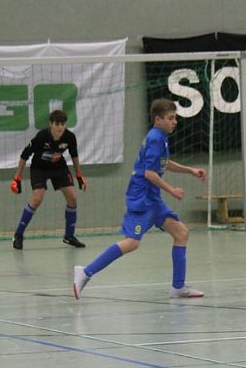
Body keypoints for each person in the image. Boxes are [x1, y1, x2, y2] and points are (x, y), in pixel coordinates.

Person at [73, 98, 206, 300]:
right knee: (132, 243)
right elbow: (149, 174)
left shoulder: (161, 137)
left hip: (152, 197)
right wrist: (172, 191)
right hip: (142, 197)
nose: (175, 122)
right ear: (157, 119)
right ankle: (85, 272)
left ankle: (178, 287)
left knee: (181, 233)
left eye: (175, 118)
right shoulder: (154, 138)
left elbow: (164, 163)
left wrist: (190, 171)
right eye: (170, 118)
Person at [10, 109, 87, 250]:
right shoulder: (41, 136)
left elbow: (74, 156)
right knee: (37, 198)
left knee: (73, 197)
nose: (60, 127)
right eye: (57, 124)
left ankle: (69, 236)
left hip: (59, 167)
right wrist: (17, 176)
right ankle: (18, 234)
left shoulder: (69, 137)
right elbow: (24, 155)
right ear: (51, 124)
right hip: (39, 168)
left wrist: (79, 175)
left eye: (62, 124)